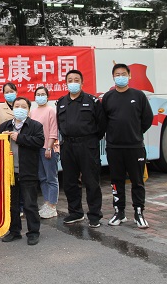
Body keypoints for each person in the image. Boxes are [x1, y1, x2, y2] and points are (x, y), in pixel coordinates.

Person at [102, 63, 153, 229]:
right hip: (114, 148)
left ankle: (139, 213)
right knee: (116, 181)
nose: (120, 77)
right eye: (117, 74)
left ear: (129, 76)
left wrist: (135, 133)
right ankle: (119, 212)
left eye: (123, 74)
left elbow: (147, 119)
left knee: (137, 181)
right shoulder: (108, 97)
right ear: (113, 77)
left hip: (135, 147)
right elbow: (103, 121)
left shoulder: (138, 96)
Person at [56, 69, 106, 228]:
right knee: (70, 181)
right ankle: (75, 212)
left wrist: (91, 139)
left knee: (91, 180)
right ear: (66, 83)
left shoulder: (92, 101)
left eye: (76, 80)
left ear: (82, 83)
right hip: (68, 145)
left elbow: (101, 124)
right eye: (70, 80)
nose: (73, 83)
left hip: (87, 145)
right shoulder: (61, 102)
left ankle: (94, 215)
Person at [0, 97, 44, 246]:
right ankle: (14, 231)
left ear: (28, 110)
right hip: (10, 171)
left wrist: (20, 138)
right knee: (12, 204)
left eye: (23, 107)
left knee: (30, 204)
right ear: (12, 108)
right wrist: (2, 138)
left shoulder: (35, 126)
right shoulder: (5, 125)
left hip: (28, 170)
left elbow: (39, 142)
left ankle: (33, 232)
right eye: (17, 106)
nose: (19, 109)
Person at [30, 86, 60, 219]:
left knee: (51, 178)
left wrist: (49, 147)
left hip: (48, 149)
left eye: (43, 94)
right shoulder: (33, 112)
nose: (40, 96)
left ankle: (52, 205)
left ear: (47, 97)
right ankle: (47, 203)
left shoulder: (51, 111)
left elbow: (53, 131)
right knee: (42, 178)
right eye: (38, 94)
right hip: (37, 149)